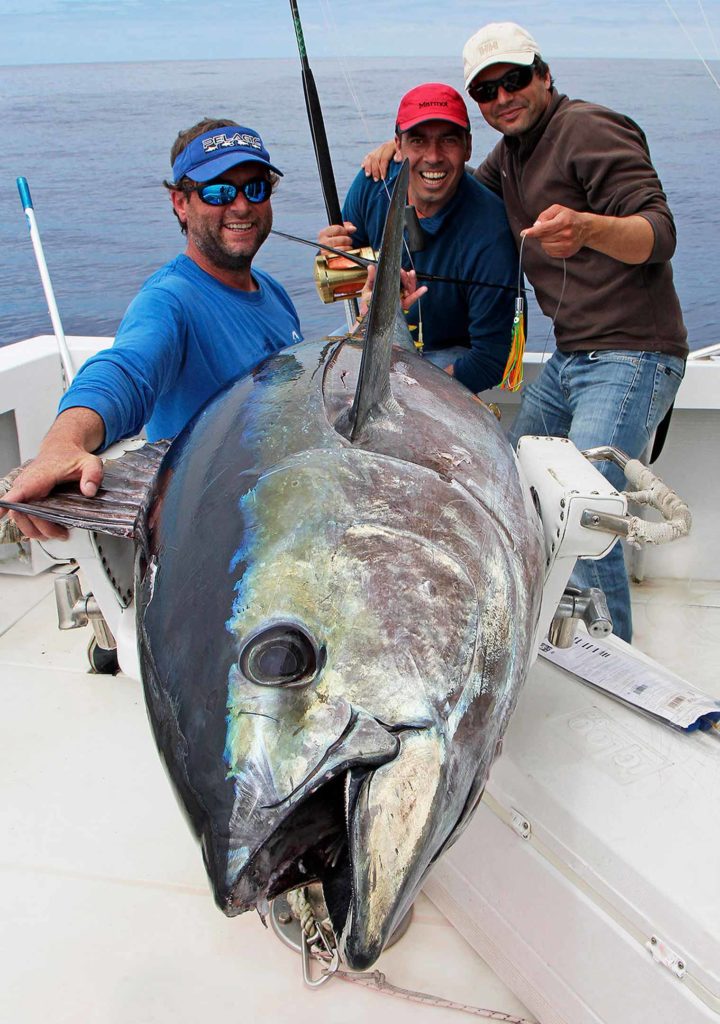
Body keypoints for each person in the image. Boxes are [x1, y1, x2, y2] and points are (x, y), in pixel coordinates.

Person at [364, 26, 688, 643]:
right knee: (510, 485)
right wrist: (405, 150)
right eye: (487, 90)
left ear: (543, 74)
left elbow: (660, 231)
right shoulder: (513, 153)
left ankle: (611, 667)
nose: (502, 96)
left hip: (631, 354)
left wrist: (590, 227)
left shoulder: (587, 129)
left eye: (514, 79)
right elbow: (455, 183)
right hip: (572, 359)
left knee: (587, 511)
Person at [4, 117, 303, 541]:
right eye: (217, 191)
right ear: (180, 202)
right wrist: (61, 444)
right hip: (214, 530)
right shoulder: (170, 299)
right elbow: (125, 370)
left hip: (279, 503)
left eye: (254, 188)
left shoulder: (272, 291)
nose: (240, 206)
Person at [318, 83, 519, 395]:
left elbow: (490, 360)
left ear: (468, 146)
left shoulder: (492, 231)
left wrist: (411, 396)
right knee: (322, 370)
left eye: (448, 140)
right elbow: (340, 275)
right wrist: (334, 257)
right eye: (418, 141)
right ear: (397, 145)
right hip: (379, 334)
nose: (433, 156)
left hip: (449, 355)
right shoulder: (372, 184)